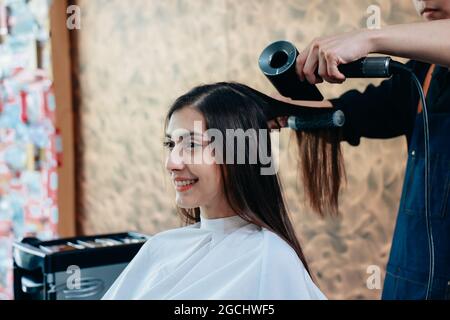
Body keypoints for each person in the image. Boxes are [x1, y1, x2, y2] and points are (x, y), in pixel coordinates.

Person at [269, 0, 450, 299]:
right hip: (409, 283)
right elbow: (361, 112)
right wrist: (288, 110)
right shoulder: (425, 71)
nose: (424, 0)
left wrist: (369, 38)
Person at [102, 82, 330, 299]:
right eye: (171, 144)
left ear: (239, 153)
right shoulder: (160, 247)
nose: (171, 163)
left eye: (192, 144)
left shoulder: (271, 260)